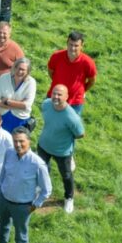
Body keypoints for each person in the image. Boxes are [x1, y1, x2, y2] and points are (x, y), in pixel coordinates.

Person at [0, 127, 53, 243]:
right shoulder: (9, 153)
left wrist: (35, 205)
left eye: (21, 141)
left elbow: (47, 189)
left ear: (29, 142)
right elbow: (4, 173)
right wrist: (1, 188)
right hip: (5, 199)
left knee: (21, 235)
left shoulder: (37, 164)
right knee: (2, 224)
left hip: (22, 206)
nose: (18, 145)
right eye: (15, 141)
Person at [38, 85, 85, 213]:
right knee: (41, 169)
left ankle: (69, 198)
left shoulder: (71, 117)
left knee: (66, 175)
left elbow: (80, 133)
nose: (56, 97)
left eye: (60, 95)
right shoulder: (46, 104)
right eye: (54, 93)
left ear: (66, 97)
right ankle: (42, 189)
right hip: (43, 145)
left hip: (62, 152)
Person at [47, 31, 96, 114]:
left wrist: (81, 90)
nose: (73, 48)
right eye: (70, 44)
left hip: (75, 102)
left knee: (71, 126)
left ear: (82, 46)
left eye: (76, 46)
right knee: (50, 123)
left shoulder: (88, 62)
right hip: (55, 97)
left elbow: (92, 81)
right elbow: (51, 72)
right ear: (67, 43)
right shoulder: (56, 56)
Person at [0, 56, 36, 133]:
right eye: (18, 68)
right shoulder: (3, 78)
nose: (19, 71)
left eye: (23, 70)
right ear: (14, 67)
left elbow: (27, 105)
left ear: (28, 71)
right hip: (1, 116)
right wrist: (19, 104)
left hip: (20, 119)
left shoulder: (31, 83)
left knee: (15, 143)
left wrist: (7, 101)